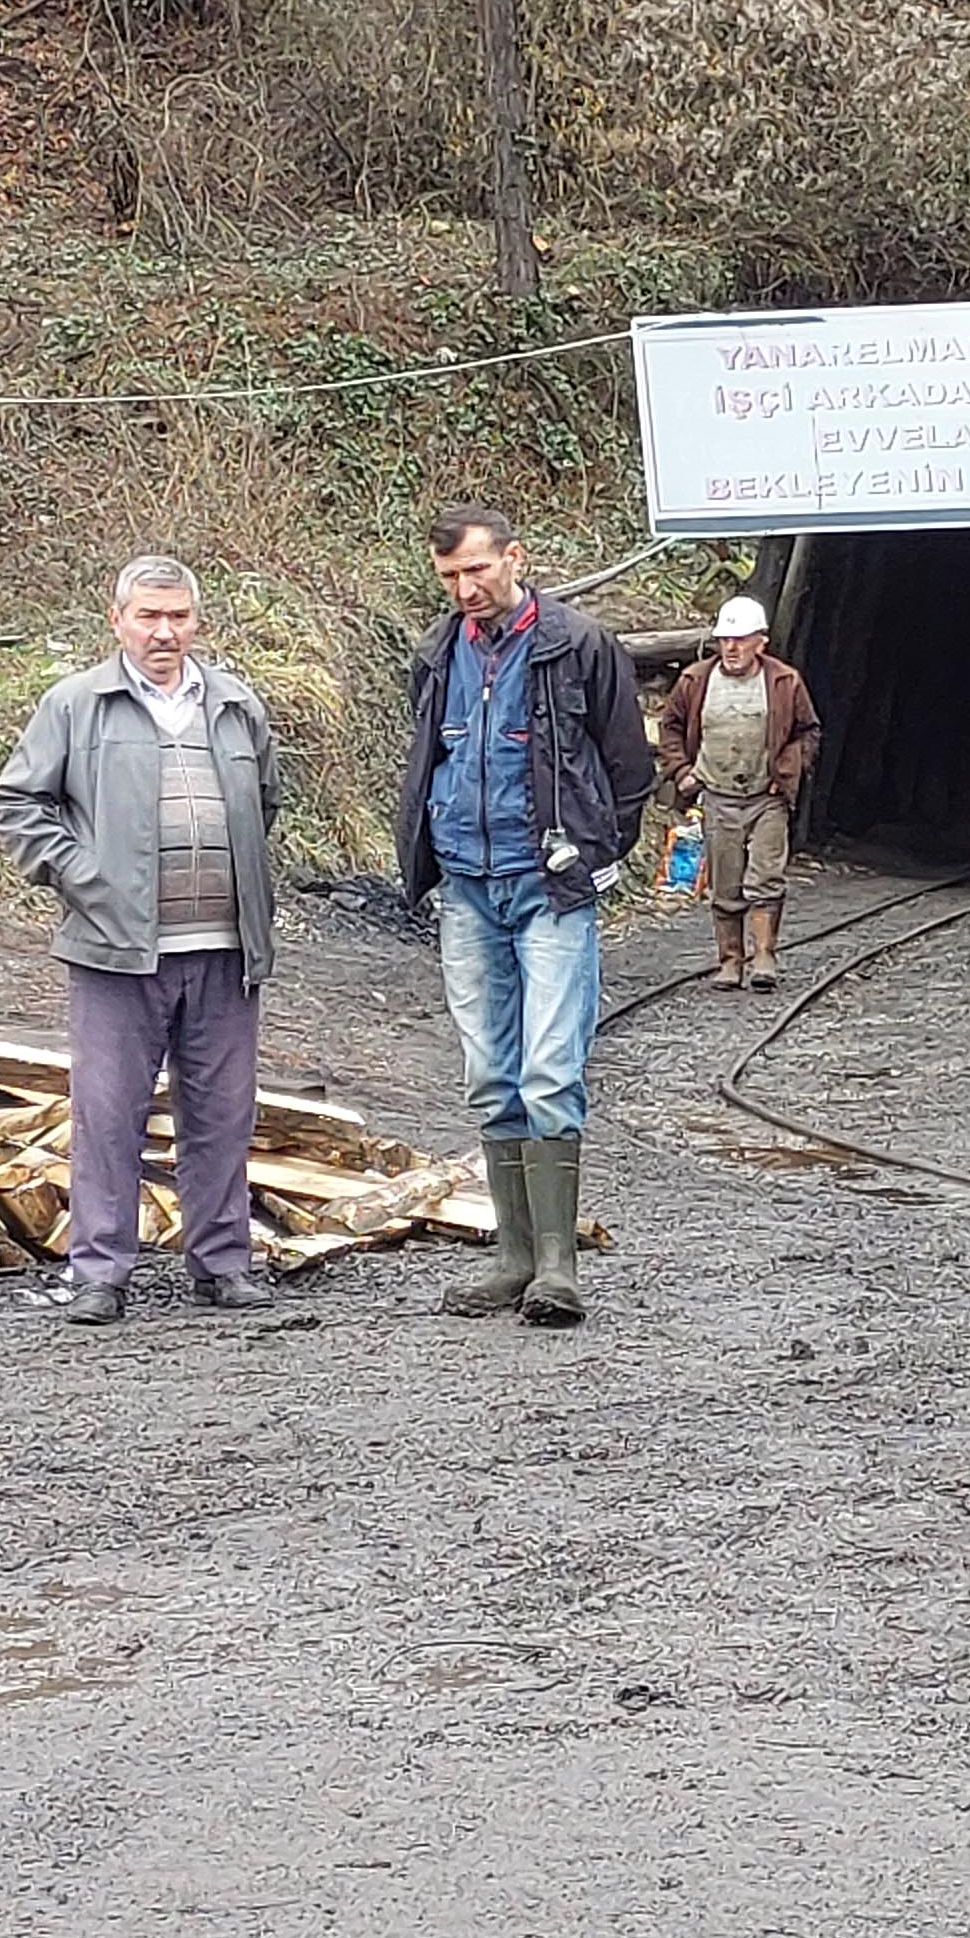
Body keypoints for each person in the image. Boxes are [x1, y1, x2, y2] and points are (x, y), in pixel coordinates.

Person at [0, 555, 287, 1325]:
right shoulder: (75, 704)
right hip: (115, 953)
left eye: (178, 617)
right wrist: (88, 879)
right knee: (108, 1113)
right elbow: (18, 805)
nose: (164, 632)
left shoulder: (234, 705)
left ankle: (222, 1264)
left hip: (226, 950)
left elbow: (267, 801)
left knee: (223, 1114)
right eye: (148, 617)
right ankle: (99, 1273)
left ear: (198, 621)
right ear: (117, 619)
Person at [396, 504, 655, 1329]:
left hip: (548, 888)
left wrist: (597, 851)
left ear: (515, 558)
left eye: (477, 569)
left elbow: (628, 765)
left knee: (549, 1070)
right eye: (449, 577)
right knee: (489, 1073)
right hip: (468, 887)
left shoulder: (578, 645)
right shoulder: (438, 653)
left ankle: (557, 1267)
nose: (466, 588)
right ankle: (511, 1257)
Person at [657, 595, 818, 992]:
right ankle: (730, 961)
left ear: (760, 642)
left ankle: (764, 956)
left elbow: (808, 732)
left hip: (766, 796)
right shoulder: (696, 680)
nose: (731, 648)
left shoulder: (784, 681)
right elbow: (670, 727)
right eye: (725, 639)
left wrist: (789, 772)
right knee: (725, 884)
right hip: (718, 794)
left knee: (765, 878)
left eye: (740, 639)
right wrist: (681, 771)